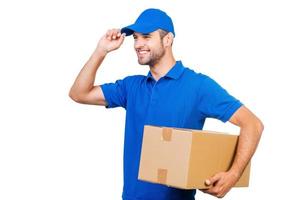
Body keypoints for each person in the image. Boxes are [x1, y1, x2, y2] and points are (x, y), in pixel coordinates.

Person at [69, 8, 264, 200]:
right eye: (135, 37)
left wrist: (233, 175)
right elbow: (79, 93)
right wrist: (100, 51)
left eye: (146, 36)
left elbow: (252, 124)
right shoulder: (131, 86)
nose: (138, 44)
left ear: (168, 39)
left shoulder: (197, 86)